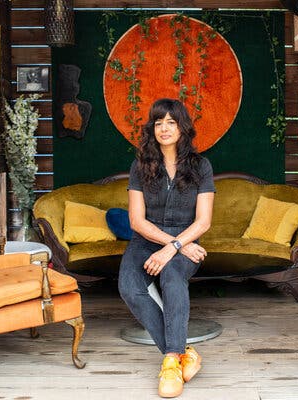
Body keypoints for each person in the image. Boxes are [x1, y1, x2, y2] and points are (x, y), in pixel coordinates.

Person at [118, 98, 215, 398]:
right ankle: (182, 352)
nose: (164, 128)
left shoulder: (201, 166)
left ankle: (170, 363)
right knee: (129, 286)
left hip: (185, 239)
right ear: (152, 128)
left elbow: (203, 221)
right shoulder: (140, 166)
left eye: (171, 122)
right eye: (158, 122)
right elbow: (136, 220)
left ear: (182, 127)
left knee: (172, 279)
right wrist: (170, 244)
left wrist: (175, 246)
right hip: (147, 239)